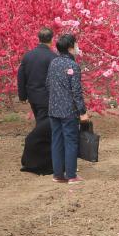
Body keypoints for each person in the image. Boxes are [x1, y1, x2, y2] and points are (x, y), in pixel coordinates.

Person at [46, 33, 89, 184]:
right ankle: (71, 175)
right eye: (75, 44)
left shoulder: (53, 62)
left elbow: (48, 84)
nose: (77, 47)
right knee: (70, 140)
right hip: (68, 110)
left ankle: (58, 175)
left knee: (57, 141)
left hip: (54, 108)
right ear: (71, 47)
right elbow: (76, 91)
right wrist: (82, 111)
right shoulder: (73, 65)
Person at [17, 26, 57, 121]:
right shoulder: (53, 57)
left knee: (40, 120)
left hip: (32, 96)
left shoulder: (28, 56)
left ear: (39, 39)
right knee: (44, 123)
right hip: (47, 97)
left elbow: (21, 77)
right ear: (52, 39)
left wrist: (22, 96)